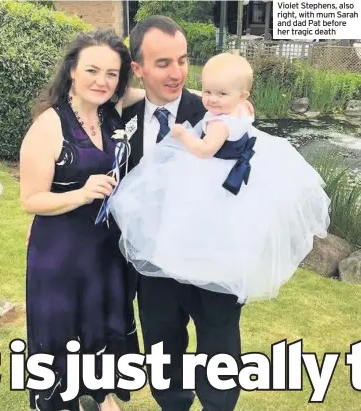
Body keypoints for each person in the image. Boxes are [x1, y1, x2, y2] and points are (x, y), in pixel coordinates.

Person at [110, 51, 330, 306]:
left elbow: (204, 150)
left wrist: (182, 135)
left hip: (212, 172)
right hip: (235, 172)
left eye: (221, 94)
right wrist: (225, 96)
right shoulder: (241, 109)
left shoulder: (219, 124)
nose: (212, 100)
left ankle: (183, 260)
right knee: (225, 224)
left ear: (242, 95)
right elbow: (222, 99)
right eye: (207, 92)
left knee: (187, 214)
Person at [115, 16, 244, 411]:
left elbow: (245, 179)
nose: (177, 73)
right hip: (152, 270)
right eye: (163, 63)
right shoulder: (119, 120)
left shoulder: (219, 113)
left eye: (183, 60)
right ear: (137, 69)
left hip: (211, 264)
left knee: (219, 356)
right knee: (163, 352)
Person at [20, 28, 146, 411]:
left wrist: (228, 105)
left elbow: (166, 95)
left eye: (112, 73)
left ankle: (103, 393)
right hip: (61, 254)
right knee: (64, 331)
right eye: (92, 70)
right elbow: (30, 200)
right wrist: (80, 193)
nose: (102, 81)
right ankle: (62, 401)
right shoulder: (50, 125)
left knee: (104, 321)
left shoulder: (112, 113)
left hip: (106, 251)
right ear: (72, 70)